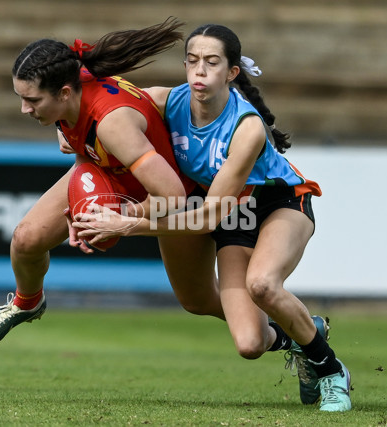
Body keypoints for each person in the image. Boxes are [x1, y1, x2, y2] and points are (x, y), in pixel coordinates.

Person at [73, 23, 352, 412]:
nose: (199, 71)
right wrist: (71, 119)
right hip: (234, 216)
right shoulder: (169, 101)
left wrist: (128, 223)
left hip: (278, 205)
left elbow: (206, 219)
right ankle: (305, 334)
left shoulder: (247, 128)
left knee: (263, 285)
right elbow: (108, 103)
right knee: (250, 344)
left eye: (211, 62)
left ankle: (331, 372)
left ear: (232, 72)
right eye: (191, 61)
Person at [0, 18, 190, 348]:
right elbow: (87, 148)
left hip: (171, 192)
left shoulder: (112, 123)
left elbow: (173, 195)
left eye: (33, 101)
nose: (24, 109)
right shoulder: (69, 86)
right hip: (113, 172)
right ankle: (26, 304)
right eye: (21, 97)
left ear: (65, 92)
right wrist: (82, 198)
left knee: (201, 303)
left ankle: (286, 331)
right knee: (26, 240)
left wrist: (119, 217)